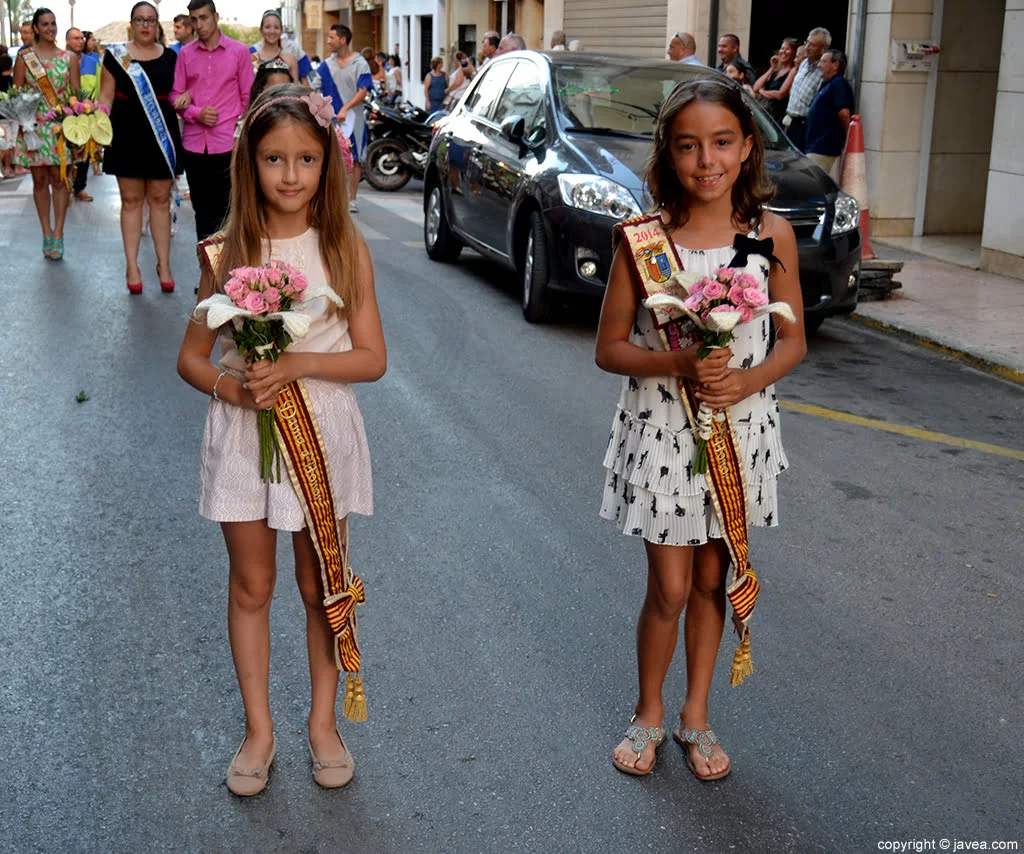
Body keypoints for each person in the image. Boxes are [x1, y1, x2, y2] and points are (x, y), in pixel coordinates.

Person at [176, 81, 386, 797]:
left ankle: (323, 724)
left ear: (327, 163)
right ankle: (258, 729)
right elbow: (191, 357)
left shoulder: (342, 244)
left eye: (305, 158)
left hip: (321, 431)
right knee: (252, 583)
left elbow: (372, 358)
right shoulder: (225, 249)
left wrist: (294, 364)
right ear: (248, 164)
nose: (290, 175)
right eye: (273, 158)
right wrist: (235, 387)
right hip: (244, 433)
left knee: (319, 580)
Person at [595, 78, 806, 780]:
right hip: (665, 432)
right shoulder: (646, 240)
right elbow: (610, 348)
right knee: (671, 588)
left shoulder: (770, 234)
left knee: (714, 578)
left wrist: (745, 380)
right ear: (669, 154)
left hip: (740, 428)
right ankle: (647, 710)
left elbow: (792, 340)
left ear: (748, 148)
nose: (706, 160)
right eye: (688, 146)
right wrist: (682, 361)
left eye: (721, 143)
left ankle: (696, 715)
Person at [99, 1, 185, 293]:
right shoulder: (115, 56)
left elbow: (179, 96)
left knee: (161, 200)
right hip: (126, 134)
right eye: (139, 20)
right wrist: (95, 119)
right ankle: (132, 265)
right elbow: (106, 97)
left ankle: (164, 264)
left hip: (161, 137)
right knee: (131, 200)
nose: (145, 25)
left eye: (150, 20)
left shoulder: (172, 58)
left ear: (157, 24)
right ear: (131, 24)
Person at [170, 0, 254, 241]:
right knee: (201, 213)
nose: (199, 24)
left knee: (227, 212)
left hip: (229, 145)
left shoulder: (239, 52)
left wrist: (238, 129)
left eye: (204, 18)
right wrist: (196, 113)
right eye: (194, 20)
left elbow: (248, 97)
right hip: (194, 145)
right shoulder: (185, 54)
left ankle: (228, 275)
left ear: (216, 17)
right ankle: (207, 272)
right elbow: (176, 95)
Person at [12, 7, 80, 260]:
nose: (51, 28)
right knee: (39, 180)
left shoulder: (69, 58)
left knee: (60, 180)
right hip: (34, 128)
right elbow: (17, 93)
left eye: (53, 23)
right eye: (45, 24)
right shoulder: (25, 58)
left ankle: (59, 233)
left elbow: (75, 94)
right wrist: (22, 120)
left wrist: (78, 118)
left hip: (60, 127)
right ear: (36, 28)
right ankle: (46, 232)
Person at [320, 24, 370, 212]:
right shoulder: (326, 65)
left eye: (331, 37)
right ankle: (331, 196)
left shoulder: (360, 64)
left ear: (343, 40)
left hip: (354, 120)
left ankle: (352, 198)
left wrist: (346, 108)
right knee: (330, 156)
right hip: (330, 119)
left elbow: (363, 91)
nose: (328, 41)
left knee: (354, 158)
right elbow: (314, 85)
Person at [804, 49, 853, 179]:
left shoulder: (838, 83)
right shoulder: (827, 84)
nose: (819, 65)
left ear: (835, 65)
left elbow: (844, 113)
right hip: (815, 145)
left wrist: (849, 139)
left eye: (823, 61)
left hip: (824, 147)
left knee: (814, 183)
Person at [783, 27, 830, 151]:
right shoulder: (804, 63)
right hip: (790, 121)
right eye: (807, 42)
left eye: (813, 45)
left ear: (822, 49)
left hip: (804, 124)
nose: (808, 47)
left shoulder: (823, 71)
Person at [753, 37, 799, 125]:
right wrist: (772, 68)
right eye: (782, 48)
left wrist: (762, 92)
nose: (783, 52)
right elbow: (756, 87)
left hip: (777, 118)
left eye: (787, 49)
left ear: (794, 53)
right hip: (766, 115)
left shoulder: (793, 71)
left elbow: (780, 94)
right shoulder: (776, 72)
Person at [251, 10, 298, 82]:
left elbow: (295, 90)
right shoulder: (252, 59)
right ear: (261, 30)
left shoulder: (290, 59)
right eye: (267, 27)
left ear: (281, 31)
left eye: (276, 27)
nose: (272, 31)